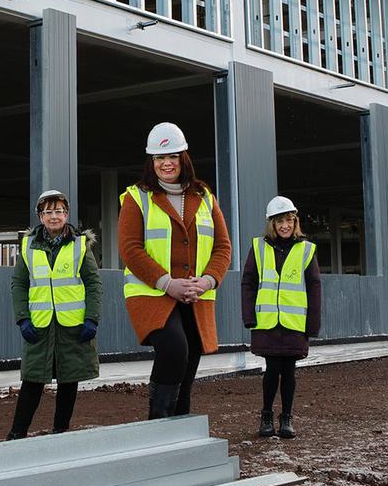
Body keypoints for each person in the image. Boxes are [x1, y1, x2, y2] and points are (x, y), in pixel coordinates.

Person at [117, 122, 232, 419]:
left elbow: (223, 247)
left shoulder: (205, 196)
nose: (166, 163)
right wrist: (167, 283)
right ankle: (158, 423)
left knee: (190, 358)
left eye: (172, 157)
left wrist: (207, 281)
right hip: (152, 294)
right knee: (174, 350)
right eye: (159, 158)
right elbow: (130, 249)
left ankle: (180, 430)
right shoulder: (136, 197)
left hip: (195, 296)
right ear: (151, 162)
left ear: (184, 158)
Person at [6, 189, 101, 440]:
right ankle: (17, 434)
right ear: (40, 217)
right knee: (32, 381)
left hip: (72, 326)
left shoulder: (80, 245)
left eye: (58, 211)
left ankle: (61, 431)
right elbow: (19, 284)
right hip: (39, 326)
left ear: (66, 214)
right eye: (48, 212)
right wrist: (22, 318)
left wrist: (92, 318)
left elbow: (93, 283)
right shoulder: (28, 246)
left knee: (69, 382)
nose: (54, 216)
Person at [240, 195, 322, 439]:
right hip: (267, 323)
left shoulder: (306, 250)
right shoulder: (258, 247)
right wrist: (249, 316)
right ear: (272, 224)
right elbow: (248, 283)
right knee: (271, 369)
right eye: (279, 221)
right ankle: (266, 415)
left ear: (294, 221)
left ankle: (286, 417)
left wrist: (312, 325)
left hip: (294, 324)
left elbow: (314, 287)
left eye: (288, 220)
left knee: (289, 371)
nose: (284, 226)